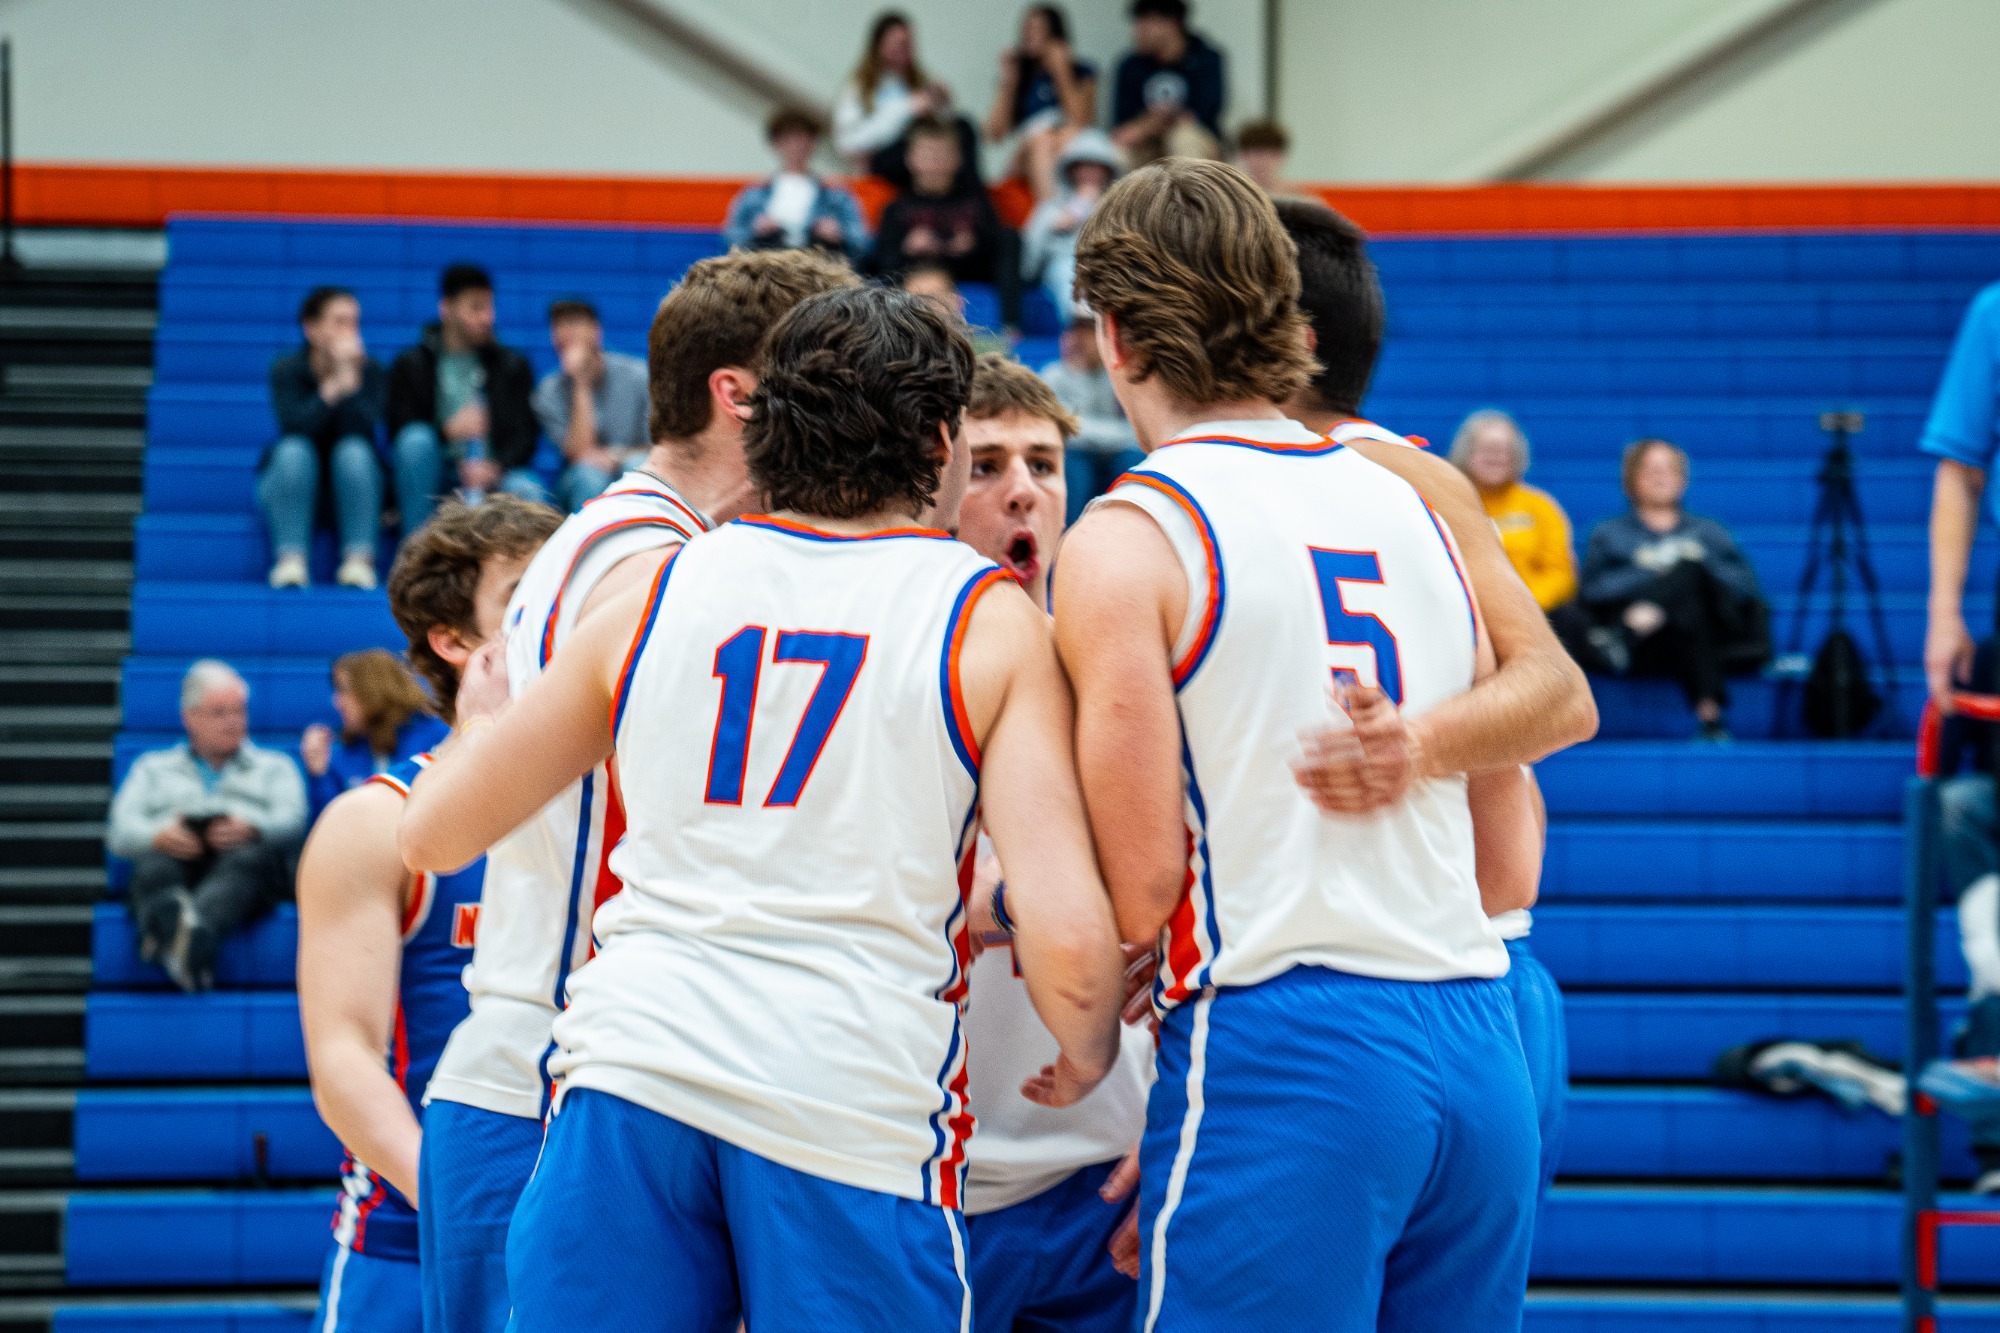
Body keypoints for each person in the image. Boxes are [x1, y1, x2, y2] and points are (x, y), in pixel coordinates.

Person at [399, 286, 1125, 1329]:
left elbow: (436, 830)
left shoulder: (654, 586)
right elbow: (1065, 932)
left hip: (631, 1076)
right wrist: (1089, 1046)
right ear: (937, 441)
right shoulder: (982, 616)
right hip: (842, 1100)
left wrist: (483, 711)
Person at [1056, 159, 1586, 1331]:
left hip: (1287, 1037)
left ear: (1115, 339)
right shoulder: (1418, 498)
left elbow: (1142, 883)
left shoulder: (1129, 531)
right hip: (1473, 1035)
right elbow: (1529, 782)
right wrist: (1421, 746)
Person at [415, 249, 859, 1333]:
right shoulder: (652, 567)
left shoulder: (627, 538)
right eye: (821, 375)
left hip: (568, 1072)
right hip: (550, 1076)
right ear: (736, 393)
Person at [1273, 195, 1583, 1221]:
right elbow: (1554, 699)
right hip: (1485, 980)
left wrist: (1411, 743)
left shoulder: (1319, 483)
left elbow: (1559, 698)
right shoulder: (1421, 479)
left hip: (1360, 991)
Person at [299, 495, 559, 1333]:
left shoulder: (623, 808)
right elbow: (343, 1059)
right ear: (455, 642)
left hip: (585, 1228)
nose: (562, 611)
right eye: (526, 593)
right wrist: (463, 1206)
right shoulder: (374, 821)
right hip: (415, 1238)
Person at [952, 354, 1152, 1332]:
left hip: (1100, 1170)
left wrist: (1174, 1122)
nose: (1021, 488)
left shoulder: (1122, 676)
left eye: (1042, 462)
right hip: (926, 1170)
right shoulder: (890, 671)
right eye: (984, 463)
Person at [106, 660, 306, 992]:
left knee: (252, 860)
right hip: (174, 861)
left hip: (244, 866)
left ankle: (177, 936)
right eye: (219, 713)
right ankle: (191, 944)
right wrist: (158, 835)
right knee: (152, 866)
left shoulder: (276, 767)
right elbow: (119, 832)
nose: (233, 722)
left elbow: (294, 822)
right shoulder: (152, 767)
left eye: (239, 711)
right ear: (190, 718)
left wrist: (254, 827)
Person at [1579, 439, 1768, 742]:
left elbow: (1745, 586)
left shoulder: (1709, 532)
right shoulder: (1608, 534)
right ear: (1631, 479)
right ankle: (1710, 716)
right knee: (1687, 607)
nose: (1660, 477)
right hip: (1653, 644)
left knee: (1690, 571)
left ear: (1682, 479)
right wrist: (1649, 568)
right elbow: (1592, 591)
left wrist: (1694, 562)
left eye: (1669, 469)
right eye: (1650, 469)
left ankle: (1622, 636)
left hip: (1707, 630)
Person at [388, 264, 544, 534]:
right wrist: (449, 431)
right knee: (415, 442)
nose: (487, 317)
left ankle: (530, 574)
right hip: (438, 474)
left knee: (527, 488)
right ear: (446, 308)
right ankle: (413, 551)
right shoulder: (413, 363)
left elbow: (526, 436)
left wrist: (496, 467)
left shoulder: (511, 365)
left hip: (495, 476)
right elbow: (399, 433)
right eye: (476, 308)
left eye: (490, 307)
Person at [260, 286, 388, 589]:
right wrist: (332, 390)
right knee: (293, 451)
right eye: (339, 322)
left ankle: (359, 559)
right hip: (294, 487)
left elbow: (367, 431)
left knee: (354, 450)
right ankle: (290, 559)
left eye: (354, 323)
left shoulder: (371, 371)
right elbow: (294, 426)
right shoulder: (286, 369)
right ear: (312, 329)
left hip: (352, 490)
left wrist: (351, 385)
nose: (349, 331)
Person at [866, 117, 1016, 325]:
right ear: (910, 158)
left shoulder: (976, 202)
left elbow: (999, 248)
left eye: (942, 155)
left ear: (958, 159)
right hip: (912, 277)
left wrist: (973, 244)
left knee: (1010, 238)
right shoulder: (897, 207)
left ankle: (1012, 327)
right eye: (928, 154)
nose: (935, 163)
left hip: (969, 272)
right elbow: (881, 263)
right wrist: (907, 248)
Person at [834, 11, 981, 192]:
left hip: (922, 155)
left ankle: (973, 200)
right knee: (913, 148)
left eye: (908, 43)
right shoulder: (860, 88)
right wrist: (907, 109)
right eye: (898, 43)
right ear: (879, 45)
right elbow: (847, 143)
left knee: (962, 126)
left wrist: (941, 105)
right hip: (884, 161)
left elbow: (941, 131)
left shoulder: (920, 81)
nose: (904, 49)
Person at [1449, 409, 1579, 614]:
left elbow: (1561, 575)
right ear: (1466, 453)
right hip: (1466, 612)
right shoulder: (1448, 504)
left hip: (1534, 613)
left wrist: (1522, 607)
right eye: (1486, 449)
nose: (1495, 457)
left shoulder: (1540, 506)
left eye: (1503, 450)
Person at [301, 649, 448, 826]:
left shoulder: (438, 737)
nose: (336, 701)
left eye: (344, 690)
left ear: (372, 690)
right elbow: (330, 828)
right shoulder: (345, 753)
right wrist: (319, 775)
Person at [531, 298, 652, 512]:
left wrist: (615, 456)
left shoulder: (638, 375)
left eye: (575, 323)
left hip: (634, 463)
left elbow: (659, 446)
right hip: (579, 478)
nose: (567, 333)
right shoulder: (547, 392)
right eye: (559, 326)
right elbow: (580, 453)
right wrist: (580, 383)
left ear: (596, 331)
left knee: (635, 467)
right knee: (588, 476)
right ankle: (591, 545)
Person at [722, 107, 871, 261]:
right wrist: (755, 230)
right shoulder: (755, 192)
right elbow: (730, 239)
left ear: (814, 143)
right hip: (768, 264)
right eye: (788, 139)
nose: (796, 146)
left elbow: (862, 242)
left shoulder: (835, 193)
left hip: (820, 265)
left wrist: (839, 234)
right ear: (775, 143)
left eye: (802, 139)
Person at [984, 5, 1098, 201]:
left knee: (1067, 137)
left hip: (1065, 142)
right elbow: (994, 133)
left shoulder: (1081, 71)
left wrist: (1061, 71)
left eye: (1038, 30)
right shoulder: (1019, 75)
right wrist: (1009, 82)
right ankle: (1050, 212)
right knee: (1042, 141)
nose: (1029, 36)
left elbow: (1082, 121)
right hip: (1027, 148)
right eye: (1026, 29)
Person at [1038, 316, 1140, 522]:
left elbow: (1136, 430)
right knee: (1074, 466)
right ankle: (1064, 540)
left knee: (1133, 460)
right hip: (1076, 455)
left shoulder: (1116, 375)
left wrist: (1093, 433)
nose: (1079, 340)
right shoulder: (1052, 376)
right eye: (1075, 333)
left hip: (1113, 454)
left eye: (1088, 334)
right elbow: (1066, 429)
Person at [1020, 129, 1124, 326]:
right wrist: (1062, 224)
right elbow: (1027, 264)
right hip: (1063, 270)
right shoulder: (1051, 208)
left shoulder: (1120, 211)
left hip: (1109, 268)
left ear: (1108, 171)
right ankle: (1083, 335)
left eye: (1096, 166)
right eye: (1083, 166)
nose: (1089, 173)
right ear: (1071, 169)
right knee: (1067, 271)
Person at [1109, 0, 1226, 167]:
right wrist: (1149, 125)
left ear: (1171, 24)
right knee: (1114, 151)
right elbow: (1123, 128)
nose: (1138, 32)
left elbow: (1204, 115)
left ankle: (1190, 192)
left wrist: (1162, 120)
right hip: (1146, 140)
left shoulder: (1205, 60)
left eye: (1146, 25)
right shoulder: (1130, 65)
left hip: (1193, 138)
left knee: (1184, 138)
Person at [902, 262, 1010, 358]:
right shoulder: (896, 352)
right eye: (915, 300)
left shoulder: (992, 354)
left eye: (933, 298)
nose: (924, 306)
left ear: (957, 301)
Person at [1233, 119, 1289, 194]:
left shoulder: (1299, 196)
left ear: (1282, 156)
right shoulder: (1232, 193)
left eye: (1272, 155)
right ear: (1242, 155)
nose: (1263, 161)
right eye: (1257, 154)